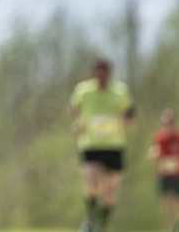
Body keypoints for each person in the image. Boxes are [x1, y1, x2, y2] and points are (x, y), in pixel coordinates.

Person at [68, 57, 135, 232]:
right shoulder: (83, 91)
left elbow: (130, 116)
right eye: (98, 72)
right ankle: (90, 220)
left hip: (114, 146)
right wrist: (77, 123)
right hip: (90, 145)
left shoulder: (120, 91)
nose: (101, 77)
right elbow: (73, 110)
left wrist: (125, 120)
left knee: (110, 189)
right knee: (92, 182)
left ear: (110, 74)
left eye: (104, 73)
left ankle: (102, 224)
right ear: (93, 74)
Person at [147, 108, 179, 232]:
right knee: (167, 202)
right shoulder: (159, 136)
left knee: (178, 201)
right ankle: (169, 228)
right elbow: (153, 152)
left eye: (171, 121)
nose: (168, 124)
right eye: (165, 122)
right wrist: (154, 154)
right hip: (164, 174)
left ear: (175, 122)